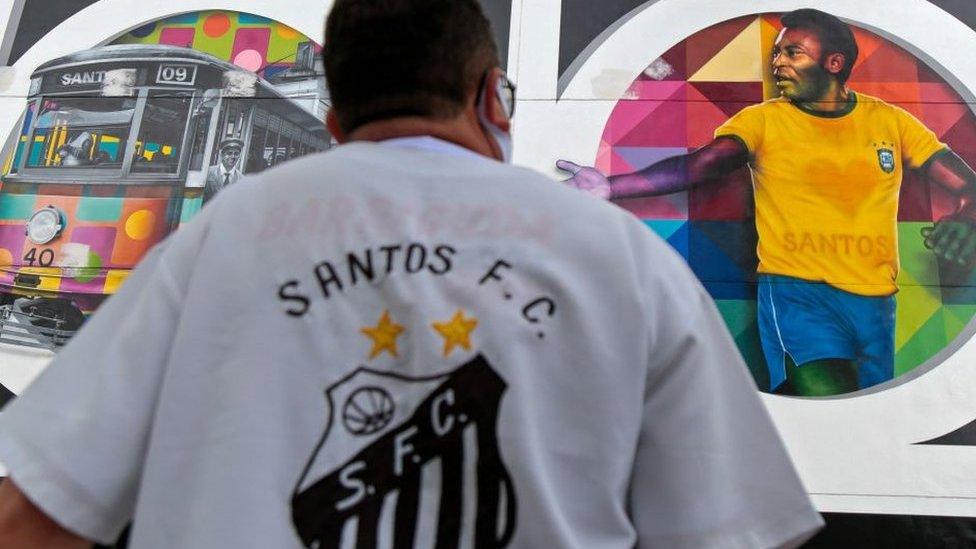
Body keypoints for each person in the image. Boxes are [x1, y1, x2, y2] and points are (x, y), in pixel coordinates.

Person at [0, 1, 822, 547]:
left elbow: (36, 511)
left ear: (332, 119)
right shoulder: (619, 255)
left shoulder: (216, 240)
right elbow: (731, 530)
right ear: (490, 97)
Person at [558, 8, 976, 397]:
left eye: (793, 53)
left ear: (833, 64)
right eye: (777, 53)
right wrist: (611, 187)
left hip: (876, 303)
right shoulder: (762, 121)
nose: (778, 62)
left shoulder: (892, 122)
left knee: (860, 417)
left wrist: (968, 219)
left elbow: (967, 188)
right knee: (828, 393)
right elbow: (700, 166)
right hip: (797, 296)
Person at [203, 138, 244, 202]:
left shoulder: (241, 179)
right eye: (229, 153)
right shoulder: (208, 172)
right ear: (222, 155)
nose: (233, 157)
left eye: (236, 154)